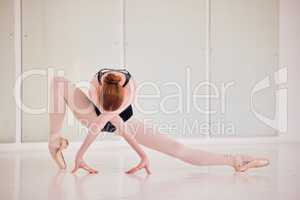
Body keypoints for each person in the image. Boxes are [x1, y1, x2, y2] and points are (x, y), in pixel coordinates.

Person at [48, 68, 270, 174]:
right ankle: (54, 140)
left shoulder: (130, 88)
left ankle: (235, 161)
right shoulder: (95, 83)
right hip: (93, 115)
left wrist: (143, 154)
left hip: (126, 120)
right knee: (58, 82)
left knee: (178, 149)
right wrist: (79, 155)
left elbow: (121, 125)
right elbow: (99, 123)